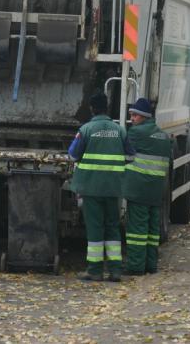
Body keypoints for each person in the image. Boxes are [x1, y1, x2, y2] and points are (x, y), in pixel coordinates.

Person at [69, 93, 132, 282]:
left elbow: (72, 155)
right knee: (112, 226)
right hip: (114, 188)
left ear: (92, 108)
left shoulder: (86, 129)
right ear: (107, 107)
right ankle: (115, 271)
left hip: (91, 187)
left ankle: (95, 270)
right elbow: (130, 156)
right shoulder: (119, 130)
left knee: (95, 227)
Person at [122, 98, 172, 276]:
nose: (132, 118)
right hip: (156, 190)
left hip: (138, 189)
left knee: (137, 230)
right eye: (131, 115)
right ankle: (151, 265)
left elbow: (125, 154)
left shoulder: (136, 133)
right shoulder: (164, 136)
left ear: (143, 116)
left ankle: (136, 266)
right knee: (152, 230)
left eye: (135, 115)